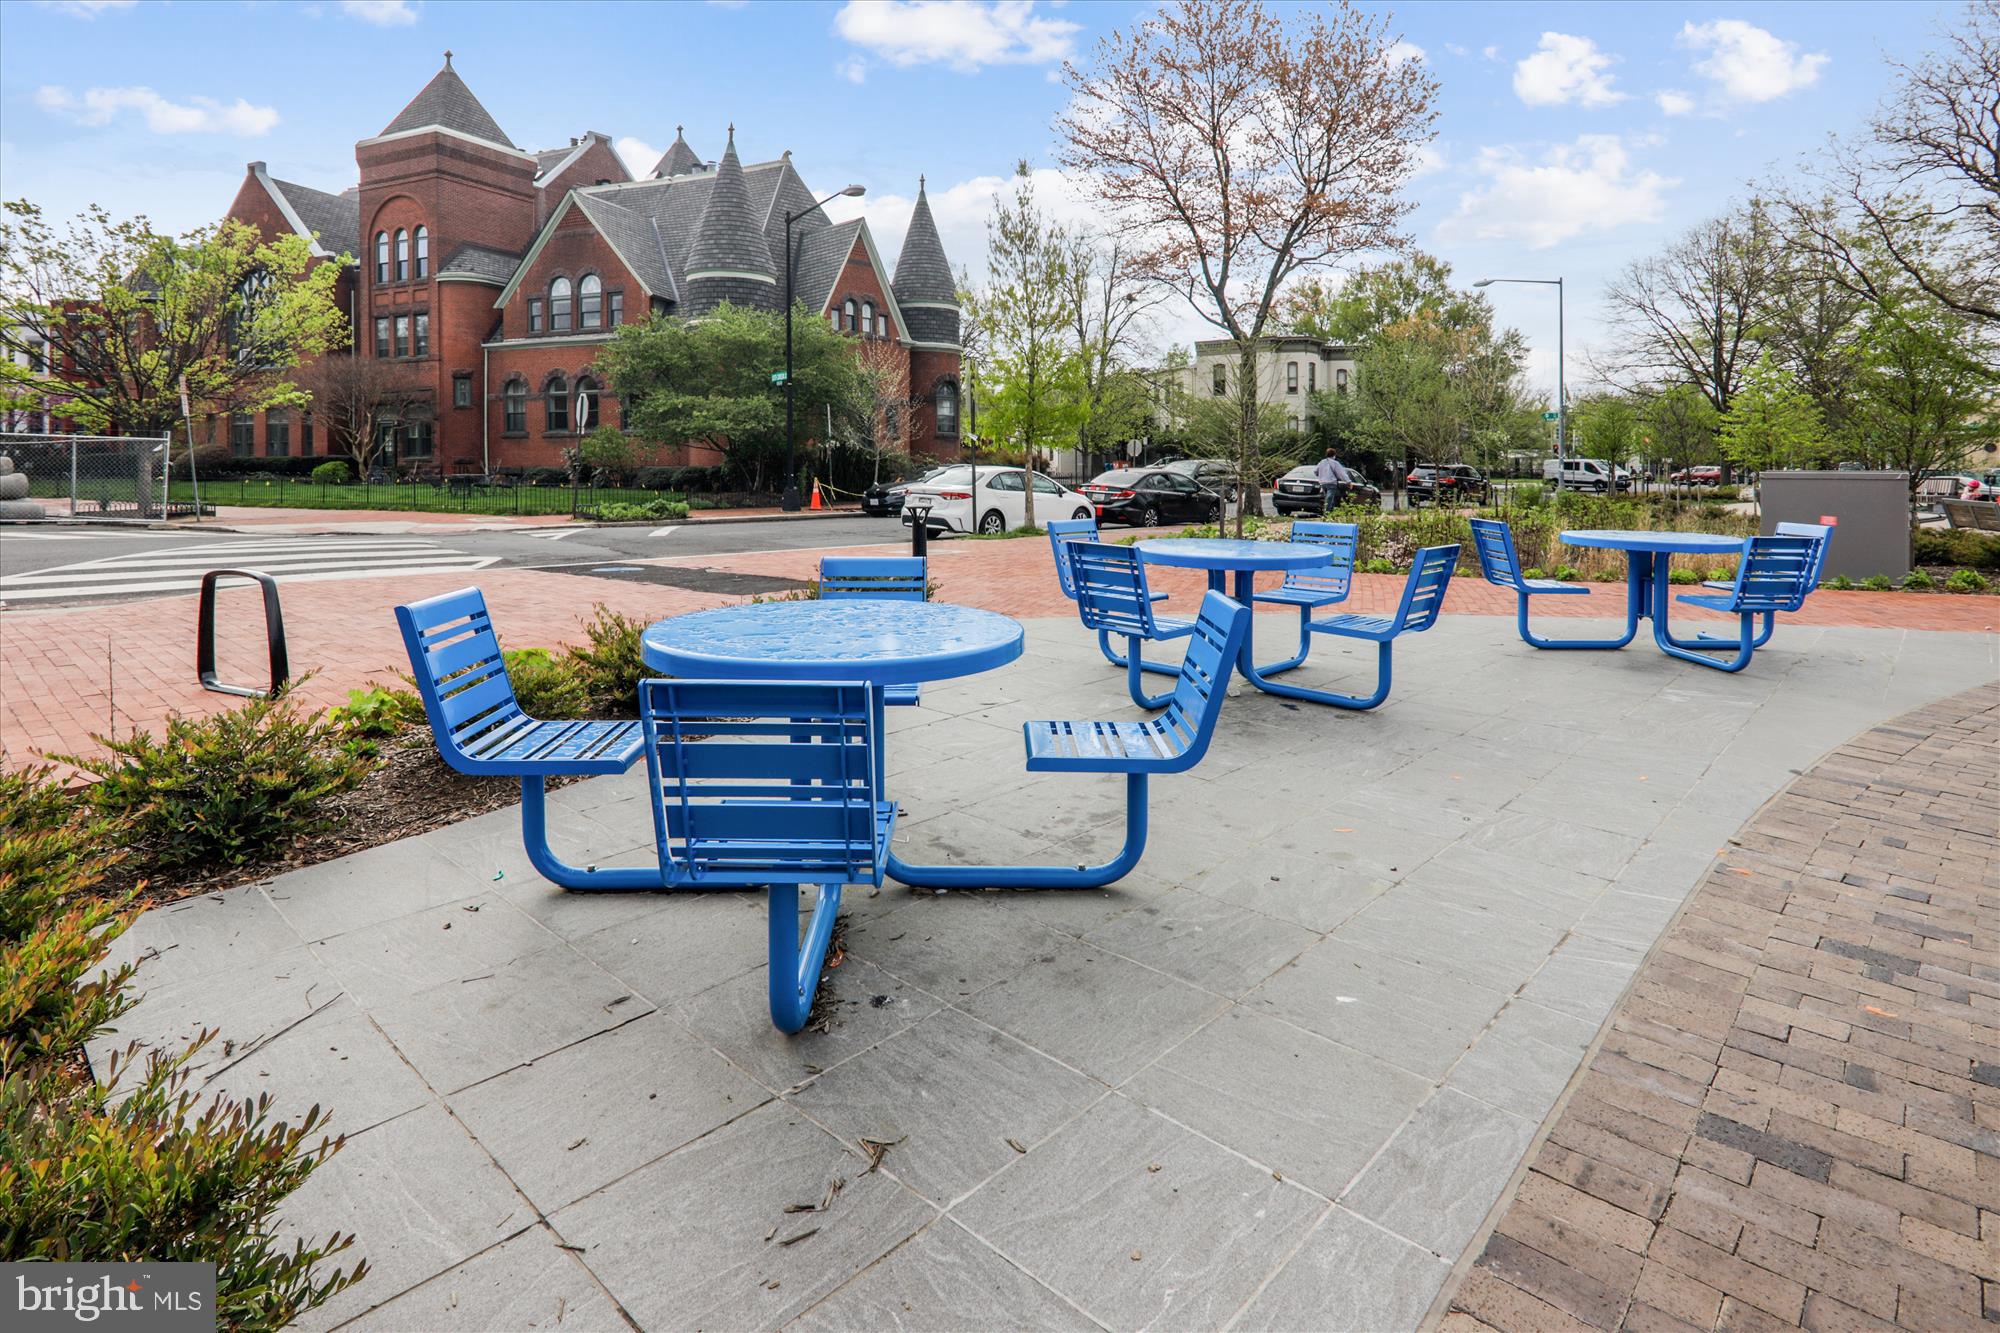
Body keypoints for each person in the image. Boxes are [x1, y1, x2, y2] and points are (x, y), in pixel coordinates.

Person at [1313, 447, 1349, 513]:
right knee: (1329, 498)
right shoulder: (1335, 463)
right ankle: (1327, 512)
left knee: (1328, 498)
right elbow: (1342, 473)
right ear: (1334, 455)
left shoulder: (1322, 462)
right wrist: (1348, 481)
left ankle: (1330, 511)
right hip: (1331, 483)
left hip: (1323, 483)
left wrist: (1321, 475)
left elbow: (1315, 471)